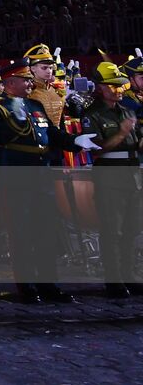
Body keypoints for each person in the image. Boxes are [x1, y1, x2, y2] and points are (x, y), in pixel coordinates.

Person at [0, 60, 98, 303]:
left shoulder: (35, 104)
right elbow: (0, 136)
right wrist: (19, 117)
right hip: (16, 174)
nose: (29, 83)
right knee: (22, 231)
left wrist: (75, 142)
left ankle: (49, 284)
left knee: (45, 230)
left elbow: (51, 134)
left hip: (41, 172)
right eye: (25, 79)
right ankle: (27, 286)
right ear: (10, 82)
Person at [79, 62, 142, 298]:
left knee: (131, 230)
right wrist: (123, 133)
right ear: (99, 87)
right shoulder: (92, 114)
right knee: (112, 231)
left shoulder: (127, 111)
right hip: (110, 176)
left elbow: (137, 143)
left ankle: (130, 276)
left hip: (132, 175)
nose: (117, 90)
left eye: (119, 85)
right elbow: (96, 149)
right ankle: (114, 280)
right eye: (111, 86)